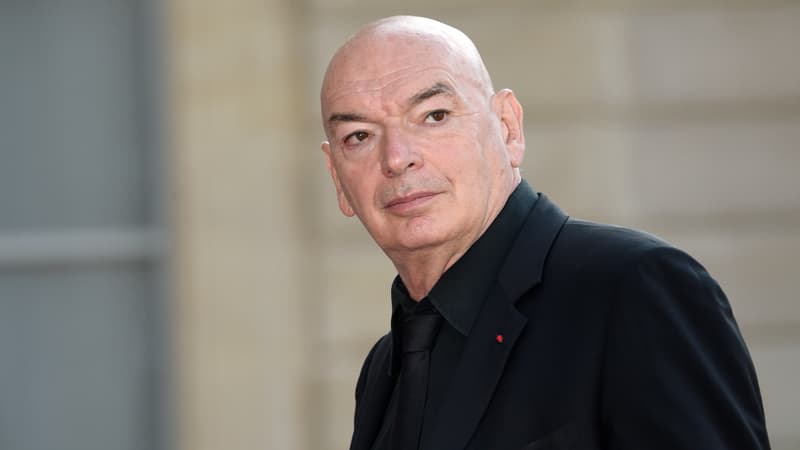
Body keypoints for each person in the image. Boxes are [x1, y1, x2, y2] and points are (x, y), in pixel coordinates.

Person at [319, 15, 770, 450]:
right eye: (359, 136)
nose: (397, 158)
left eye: (434, 115)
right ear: (338, 179)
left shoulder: (634, 289)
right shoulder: (383, 368)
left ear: (508, 128)